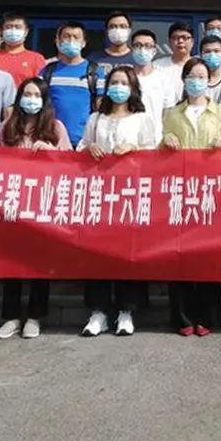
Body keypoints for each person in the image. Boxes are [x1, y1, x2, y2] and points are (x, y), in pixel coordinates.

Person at [76, 66, 158, 337]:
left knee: (128, 251)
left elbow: (153, 152)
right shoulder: (96, 118)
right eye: (114, 82)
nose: (118, 87)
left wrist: (134, 148)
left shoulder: (141, 119)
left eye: (124, 83)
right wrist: (89, 148)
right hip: (98, 193)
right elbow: (81, 147)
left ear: (133, 88)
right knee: (96, 252)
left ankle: (127, 310)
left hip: (129, 193)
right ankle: (98, 311)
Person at [0, 77, 72, 339]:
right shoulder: (6, 127)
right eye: (27, 94)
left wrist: (51, 151)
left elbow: (71, 163)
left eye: (37, 95)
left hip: (42, 202)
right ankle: (11, 316)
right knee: (10, 262)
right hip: (13, 202)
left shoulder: (55, 127)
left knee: (39, 261)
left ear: (44, 100)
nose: (31, 100)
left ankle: (35, 316)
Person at [161, 58, 221, 335]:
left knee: (208, 255)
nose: (197, 81)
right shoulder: (172, 113)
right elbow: (159, 148)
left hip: (210, 191)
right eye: (192, 76)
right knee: (178, 255)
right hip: (179, 191)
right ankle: (182, 317)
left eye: (202, 76)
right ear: (184, 80)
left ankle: (206, 317)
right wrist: (166, 141)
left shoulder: (219, 112)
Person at [39, 22, 97, 148]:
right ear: (58, 42)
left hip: (84, 143)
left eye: (76, 37)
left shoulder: (95, 71)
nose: (71, 41)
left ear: (84, 43)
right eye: (66, 36)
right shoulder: (47, 71)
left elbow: (100, 106)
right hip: (52, 140)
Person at [129, 29, 173, 144]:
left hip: (155, 142)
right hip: (128, 141)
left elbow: (168, 112)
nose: (142, 49)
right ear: (132, 49)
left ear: (154, 50)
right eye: (138, 45)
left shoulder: (163, 78)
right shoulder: (125, 77)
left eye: (147, 46)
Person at [0, 12, 47, 87]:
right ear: (2, 31)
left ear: (26, 32)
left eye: (18, 27)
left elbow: (40, 88)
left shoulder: (36, 59)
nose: (13, 30)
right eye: (8, 27)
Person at [152, 22, 195, 105]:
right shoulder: (157, 66)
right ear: (170, 42)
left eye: (185, 38)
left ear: (192, 41)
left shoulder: (200, 66)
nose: (180, 41)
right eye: (176, 38)